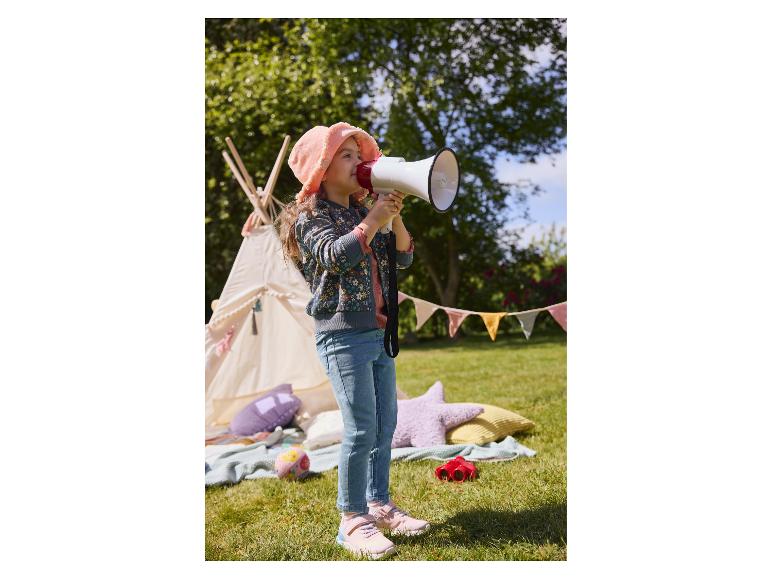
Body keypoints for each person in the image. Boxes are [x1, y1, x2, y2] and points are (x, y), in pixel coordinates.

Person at [277, 122, 430, 559]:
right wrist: (374, 219)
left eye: (357, 153)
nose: (359, 162)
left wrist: (393, 219)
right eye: (345, 155)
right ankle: (352, 519)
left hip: (378, 333)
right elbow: (334, 256)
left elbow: (402, 257)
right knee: (361, 427)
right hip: (343, 336)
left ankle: (379, 504)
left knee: (385, 424)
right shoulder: (311, 214)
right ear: (321, 170)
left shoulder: (363, 209)